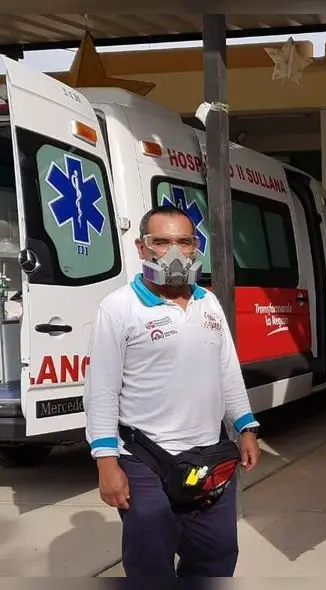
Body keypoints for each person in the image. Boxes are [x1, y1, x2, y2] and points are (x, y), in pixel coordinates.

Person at [84, 205, 262, 578]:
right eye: (161, 242)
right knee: (150, 567)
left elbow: (226, 368)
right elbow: (101, 389)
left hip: (210, 455)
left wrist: (246, 427)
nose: (175, 252)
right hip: (146, 463)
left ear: (196, 247)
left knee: (215, 560)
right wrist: (106, 461)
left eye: (184, 241)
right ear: (141, 247)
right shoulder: (119, 308)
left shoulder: (207, 301)